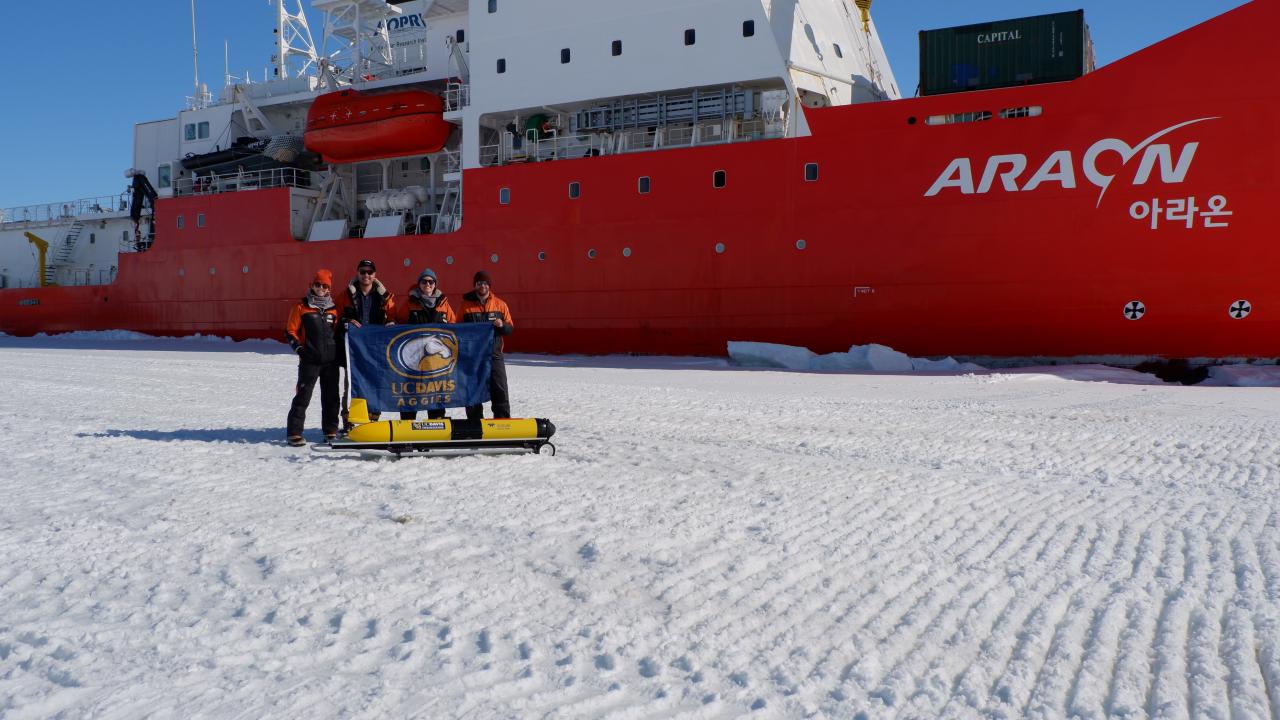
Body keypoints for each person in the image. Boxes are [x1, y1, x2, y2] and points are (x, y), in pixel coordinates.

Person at [337, 259, 395, 427]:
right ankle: (349, 422)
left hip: (376, 349)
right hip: (354, 350)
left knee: (376, 384)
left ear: (374, 275)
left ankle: (372, 420)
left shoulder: (385, 296)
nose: (366, 275)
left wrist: (391, 322)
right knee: (352, 385)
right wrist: (346, 320)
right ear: (358, 273)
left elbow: (393, 315)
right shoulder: (345, 295)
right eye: (363, 272)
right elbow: (337, 318)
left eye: (370, 272)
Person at [285, 269, 340, 446]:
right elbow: (290, 331)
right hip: (310, 360)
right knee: (303, 396)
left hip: (330, 362)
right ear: (312, 285)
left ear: (329, 289)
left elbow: (337, 333)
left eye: (324, 286)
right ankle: (294, 432)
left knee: (331, 397)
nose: (321, 288)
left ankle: (331, 431)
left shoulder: (334, 310)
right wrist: (300, 349)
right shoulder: (301, 307)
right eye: (318, 285)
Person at [397, 267, 456, 420]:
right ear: (419, 284)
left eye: (431, 281)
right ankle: (407, 421)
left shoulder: (444, 304)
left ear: (435, 284)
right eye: (424, 281)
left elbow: (454, 326)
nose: (427, 284)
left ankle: (436, 419)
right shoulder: (410, 304)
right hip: (414, 361)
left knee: (436, 390)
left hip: (436, 361)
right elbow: (398, 324)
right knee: (411, 389)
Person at [459, 270, 514, 419]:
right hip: (473, 357)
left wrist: (502, 325)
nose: (482, 286)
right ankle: (475, 424)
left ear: (489, 285)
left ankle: (503, 423)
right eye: (479, 283)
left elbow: (510, 328)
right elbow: (458, 329)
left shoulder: (500, 305)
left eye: (485, 283)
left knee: (500, 390)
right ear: (475, 286)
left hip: (494, 355)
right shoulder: (466, 306)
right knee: (473, 391)